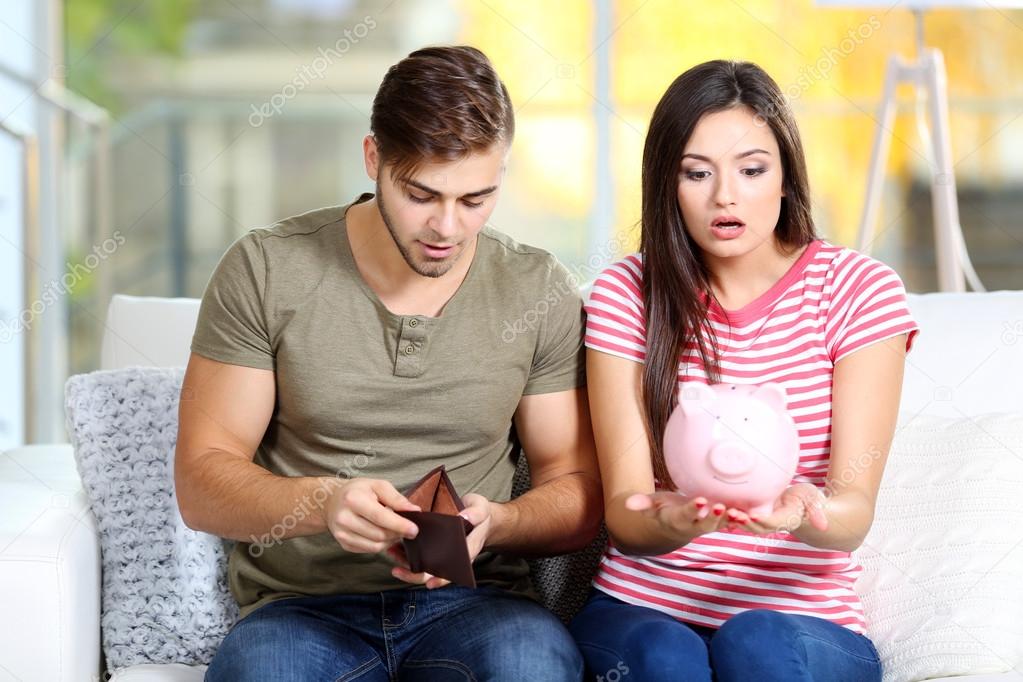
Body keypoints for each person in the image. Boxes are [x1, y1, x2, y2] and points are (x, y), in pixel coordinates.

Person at [175, 45, 601, 682]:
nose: (448, 228)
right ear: (374, 157)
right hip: (302, 611)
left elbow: (577, 487)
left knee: (531, 667)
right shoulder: (266, 269)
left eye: (476, 199)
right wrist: (323, 503)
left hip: (478, 603)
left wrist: (502, 522)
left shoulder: (536, 289)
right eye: (421, 194)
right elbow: (201, 482)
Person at [568, 60, 919, 682]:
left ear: (786, 178)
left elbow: (851, 513)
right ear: (667, 185)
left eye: (751, 170)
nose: (724, 196)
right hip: (644, 609)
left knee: (752, 640)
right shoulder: (627, 292)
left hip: (800, 622)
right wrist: (672, 519)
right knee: (665, 658)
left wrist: (798, 514)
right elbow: (625, 516)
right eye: (696, 173)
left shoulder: (859, 291)